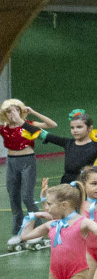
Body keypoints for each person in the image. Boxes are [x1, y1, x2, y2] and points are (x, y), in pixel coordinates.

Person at [3, 99, 55, 245]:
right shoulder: (4, 127)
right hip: (11, 162)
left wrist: (33, 112)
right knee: (13, 197)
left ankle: (38, 230)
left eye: (15, 110)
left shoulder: (29, 125)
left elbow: (52, 124)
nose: (12, 114)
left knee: (27, 197)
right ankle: (17, 232)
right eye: (9, 111)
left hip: (27, 161)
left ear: (21, 111)